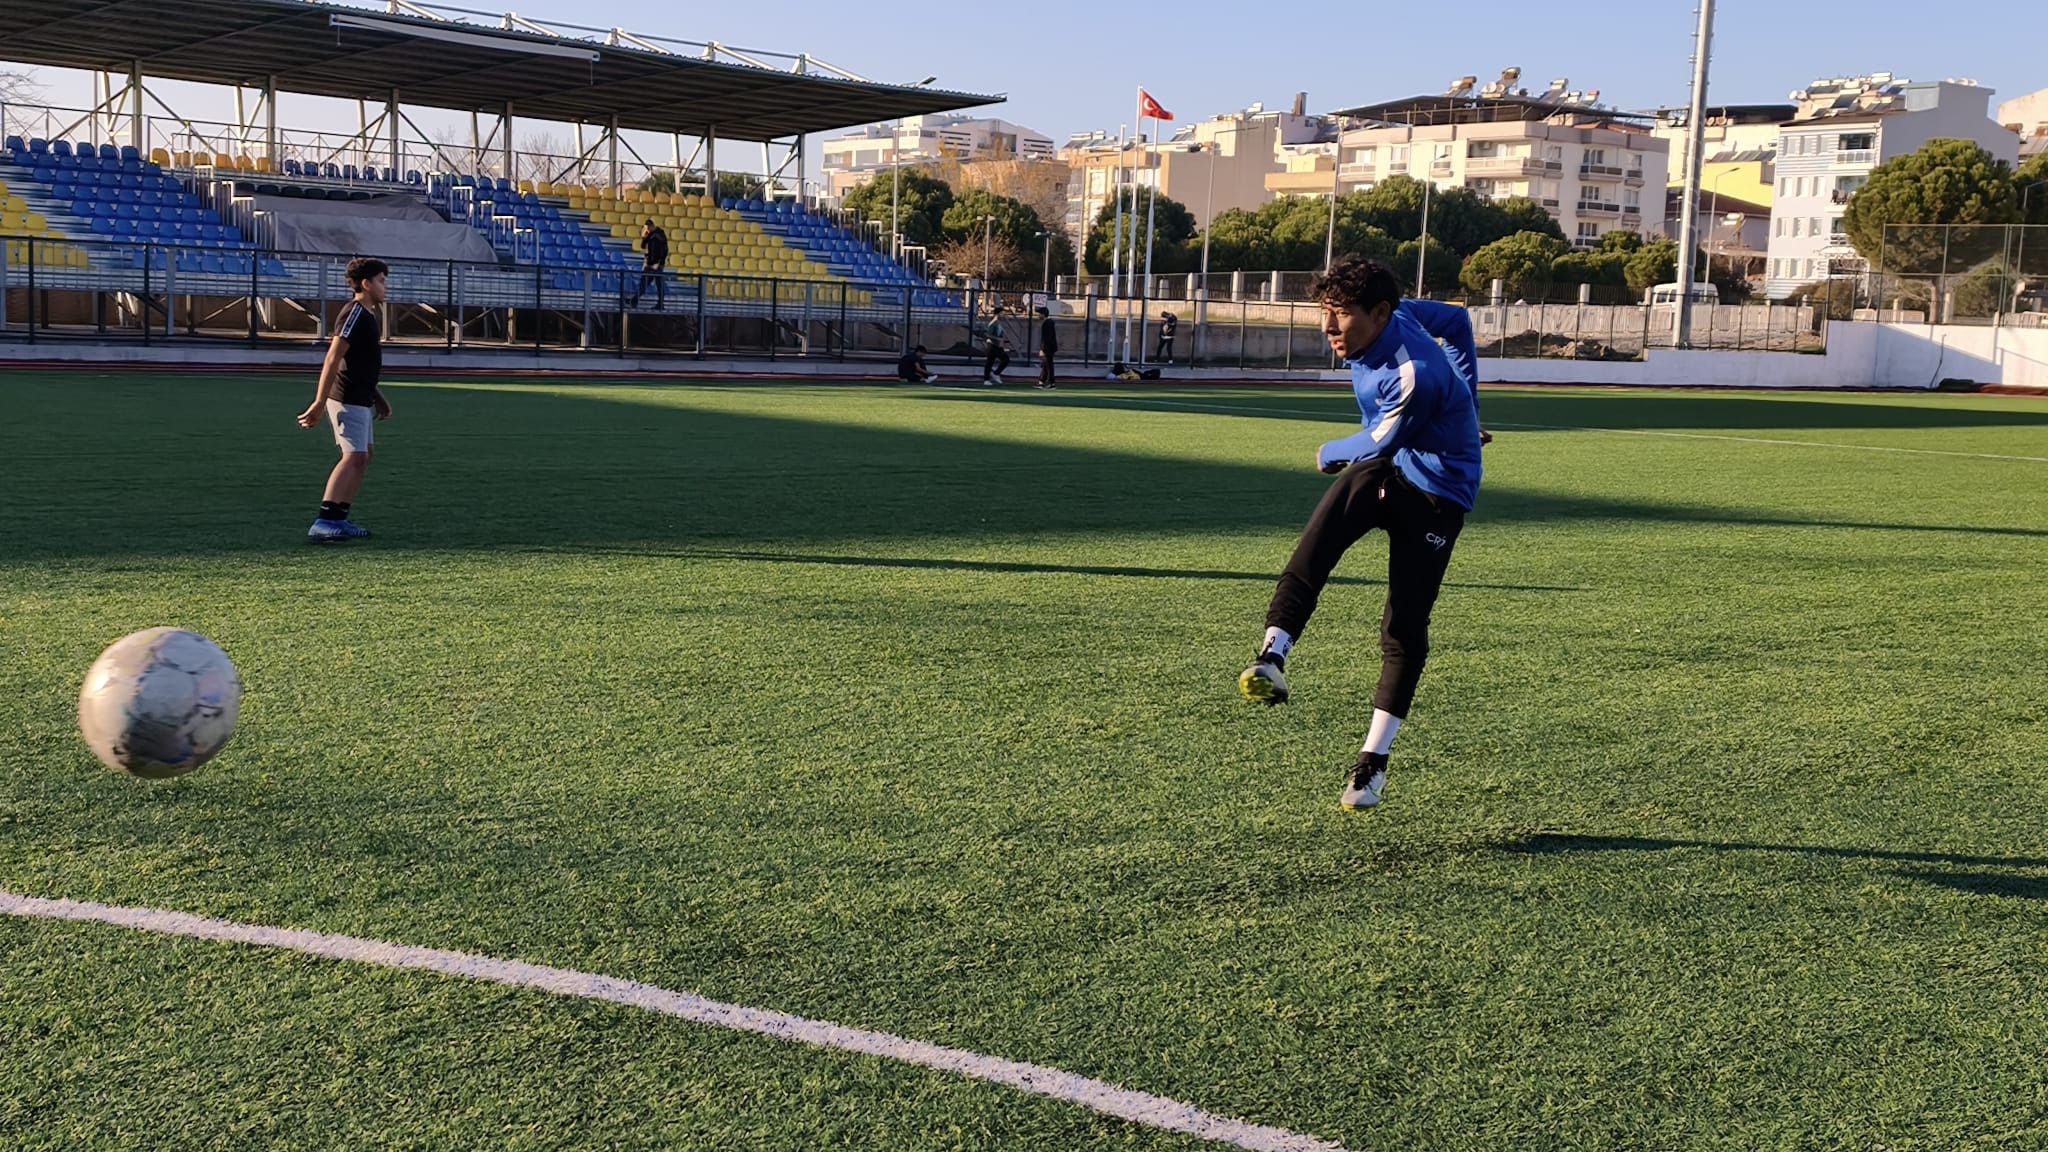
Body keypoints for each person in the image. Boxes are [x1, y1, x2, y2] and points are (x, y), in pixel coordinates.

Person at [1237, 256, 1484, 812]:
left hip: (1439, 495)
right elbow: (1460, 322)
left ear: (1378, 313)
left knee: (1404, 627)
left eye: (1340, 316)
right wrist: (1472, 405)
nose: (1328, 328)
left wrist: (1329, 452)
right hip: (1395, 469)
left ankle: (1372, 767)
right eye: (1324, 313)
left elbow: (1374, 442)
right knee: (1315, 547)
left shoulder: (1415, 373)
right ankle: (1272, 658)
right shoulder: (1398, 317)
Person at [296, 257, 392, 543]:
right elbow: (333, 358)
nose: (386, 287)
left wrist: (378, 397)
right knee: (354, 457)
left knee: (364, 457)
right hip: (346, 397)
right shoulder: (354, 314)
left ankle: (339, 518)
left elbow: (360, 364)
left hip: (361, 397)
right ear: (366, 284)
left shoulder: (368, 315)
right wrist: (319, 402)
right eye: (382, 281)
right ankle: (324, 522)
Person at [631, 219, 668, 308]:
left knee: (659, 285)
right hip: (650, 263)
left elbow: (664, 250)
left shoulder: (660, 235)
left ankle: (660, 304)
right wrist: (644, 237)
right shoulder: (650, 235)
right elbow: (643, 246)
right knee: (644, 283)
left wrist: (659, 263)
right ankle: (634, 300)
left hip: (656, 264)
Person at [981, 307, 1011, 385]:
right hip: (992, 345)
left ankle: (989, 377)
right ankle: (990, 377)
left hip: (997, 345)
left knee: (992, 361)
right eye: (1002, 313)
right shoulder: (993, 323)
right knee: (1001, 360)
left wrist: (1003, 341)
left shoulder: (998, 323)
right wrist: (998, 339)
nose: (1004, 315)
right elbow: (988, 335)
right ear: (998, 314)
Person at [1036, 307, 1058, 389]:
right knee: (1046, 365)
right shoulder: (1049, 322)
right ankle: (1041, 381)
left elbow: (1046, 338)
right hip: (1051, 347)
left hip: (1048, 348)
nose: (1038, 315)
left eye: (1039, 314)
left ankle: (1052, 383)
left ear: (1043, 314)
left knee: (1048, 365)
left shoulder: (1046, 323)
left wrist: (1042, 349)